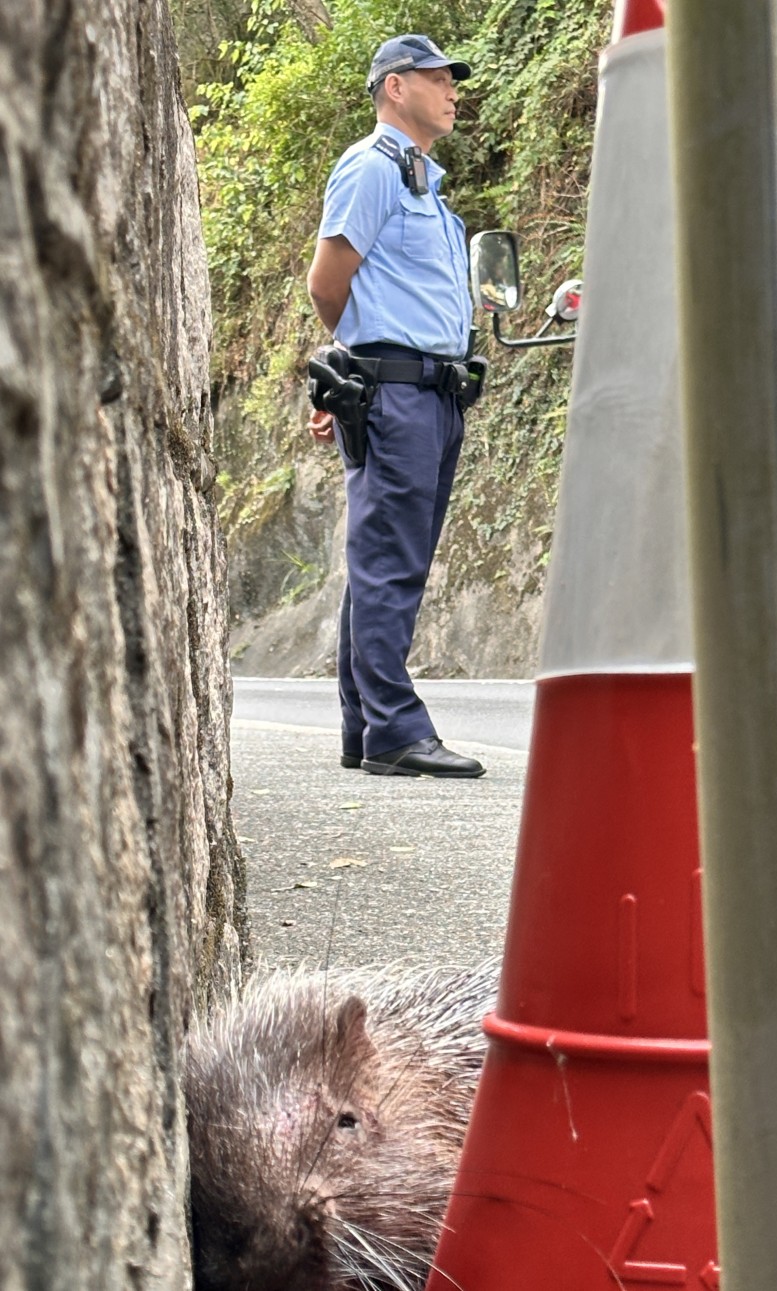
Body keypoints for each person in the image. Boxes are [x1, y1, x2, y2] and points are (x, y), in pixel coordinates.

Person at [306, 34, 485, 778]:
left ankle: (364, 725)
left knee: (384, 558)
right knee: (390, 561)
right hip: (397, 392)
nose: (452, 90)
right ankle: (393, 728)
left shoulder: (425, 187)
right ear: (394, 88)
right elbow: (328, 281)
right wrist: (359, 369)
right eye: (437, 77)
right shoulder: (372, 169)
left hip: (433, 392)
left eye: (452, 80)